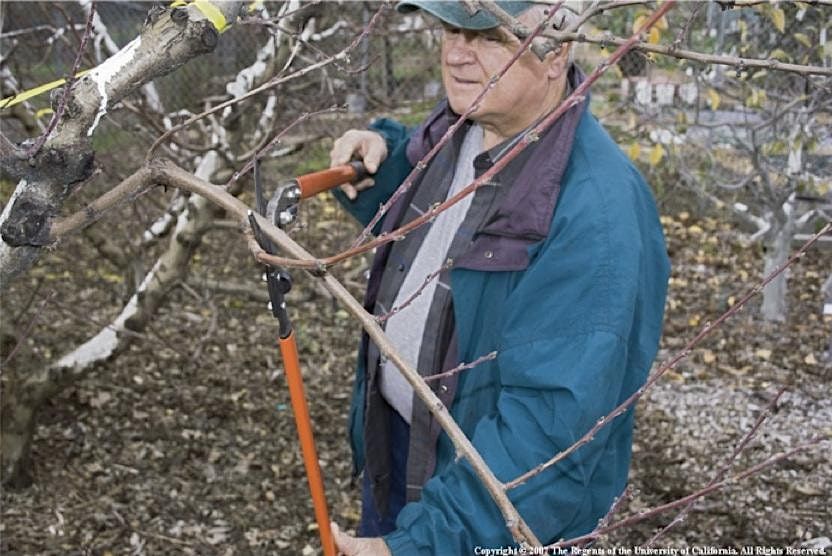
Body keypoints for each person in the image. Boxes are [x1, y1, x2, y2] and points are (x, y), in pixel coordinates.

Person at [328, 1, 670, 554]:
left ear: (555, 53)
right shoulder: (463, 130)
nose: (457, 54)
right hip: (401, 454)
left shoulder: (596, 215)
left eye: (489, 36)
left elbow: (547, 438)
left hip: (477, 515)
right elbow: (433, 221)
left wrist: (422, 544)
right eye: (451, 29)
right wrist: (381, 159)